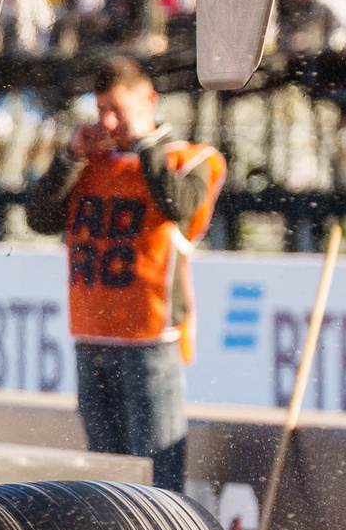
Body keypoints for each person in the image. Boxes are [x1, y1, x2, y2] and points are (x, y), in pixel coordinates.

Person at [24, 55, 225, 493]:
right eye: (100, 111)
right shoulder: (90, 163)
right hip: (91, 336)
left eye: (119, 109)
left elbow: (181, 205)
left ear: (149, 101)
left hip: (150, 341)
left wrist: (145, 144)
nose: (109, 122)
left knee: (158, 481)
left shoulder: (192, 159)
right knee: (108, 482)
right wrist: (71, 156)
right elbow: (39, 217)